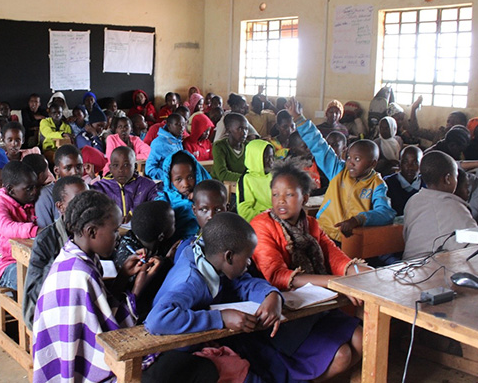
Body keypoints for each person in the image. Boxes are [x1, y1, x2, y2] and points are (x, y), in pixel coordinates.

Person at [250, 159, 365, 381]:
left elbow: (334, 255)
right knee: (342, 355)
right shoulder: (262, 225)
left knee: (363, 339)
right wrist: (334, 283)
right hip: (287, 315)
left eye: (290, 194)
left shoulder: (310, 224)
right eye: (275, 194)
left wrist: (359, 271)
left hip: (317, 308)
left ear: (304, 197)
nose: (281, 201)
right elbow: (276, 276)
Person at [32, 190, 161, 382]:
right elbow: (108, 338)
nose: (118, 236)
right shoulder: (80, 274)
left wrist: (124, 276)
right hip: (75, 370)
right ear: (91, 231)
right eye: (115, 230)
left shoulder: (76, 253)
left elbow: (98, 307)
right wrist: (136, 290)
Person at [145, 212, 288, 383]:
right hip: (173, 352)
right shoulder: (190, 281)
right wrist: (221, 318)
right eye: (248, 258)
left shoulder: (211, 258)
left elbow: (243, 283)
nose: (250, 263)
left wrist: (272, 295)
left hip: (202, 341)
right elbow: (157, 320)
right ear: (228, 256)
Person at [286, 97, 395, 243]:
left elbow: (386, 213)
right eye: (349, 157)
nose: (350, 163)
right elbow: (319, 145)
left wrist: (359, 219)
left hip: (351, 238)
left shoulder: (377, 184)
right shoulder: (339, 170)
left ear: (372, 164)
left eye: (357, 159)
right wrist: (298, 118)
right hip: (324, 232)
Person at [22, 176, 88, 330]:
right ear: (61, 207)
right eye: (78, 202)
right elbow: (32, 305)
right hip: (60, 317)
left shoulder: (96, 232)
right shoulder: (46, 240)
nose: (87, 207)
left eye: (89, 199)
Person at [403, 151, 476, 260]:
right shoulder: (453, 207)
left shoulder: (413, 201)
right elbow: (473, 245)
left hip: (407, 267)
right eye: (455, 176)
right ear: (447, 179)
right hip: (428, 270)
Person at [0, 161, 40, 291]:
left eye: (35, 187)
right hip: (2, 266)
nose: (34, 192)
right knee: (33, 282)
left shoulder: (27, 201)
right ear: (10, 189)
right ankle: (32, 311)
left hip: (25, 259)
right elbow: (7, 227)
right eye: (29, 188)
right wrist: (34, 230)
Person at [92, 147, 159, 222]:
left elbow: (156, 206)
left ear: (135, 167)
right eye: (116, 165)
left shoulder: (147, 186)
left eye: (126, 165)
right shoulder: (100, 188)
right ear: (110, 168)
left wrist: (135, 214)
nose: (120, 169)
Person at [157, 150, 211, 239]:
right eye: (178, 179)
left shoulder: (207, 194)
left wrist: (199, 197)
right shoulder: (164, 200)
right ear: (169, 180)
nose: (186, 184)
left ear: (196, 175)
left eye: (190, 177)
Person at [35, 144, 84, 229]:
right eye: (68, 168)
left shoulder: (87, 189)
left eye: (79, 167)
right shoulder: (45, 196)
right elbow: (46, 233)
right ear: (57, 170)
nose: (75, 172)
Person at [236, 139, 275, 222]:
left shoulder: (275, 175)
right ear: (255, 158)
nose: (271, 162)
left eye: (272, 157)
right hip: (260, 222)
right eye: (267, 158)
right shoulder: (246, 179)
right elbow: (244, 212)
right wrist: (269, 217)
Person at [383, 146, 423, 216]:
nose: (410, 167)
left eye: (415, 163)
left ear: (421, 165)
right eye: (405, 162)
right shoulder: (387, 183)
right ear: (399, 164)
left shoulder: (427, 185)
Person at [146, 112, 186, 180]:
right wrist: (169, 176)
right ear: (169, 125)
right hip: (164, 182)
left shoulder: (178, 141)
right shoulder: (158, 143)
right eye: (177, 124)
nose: (181, 127)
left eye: (183, 124)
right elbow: (150, 169)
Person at [212, 113, 248, 182]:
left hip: (241, 185)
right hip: (219, 186)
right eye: (240, 129)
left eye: (246, 129)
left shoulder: (248, 146)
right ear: (228, 130)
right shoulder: (219, 146)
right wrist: (247, 178)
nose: (244, 133)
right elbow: (222, 174)